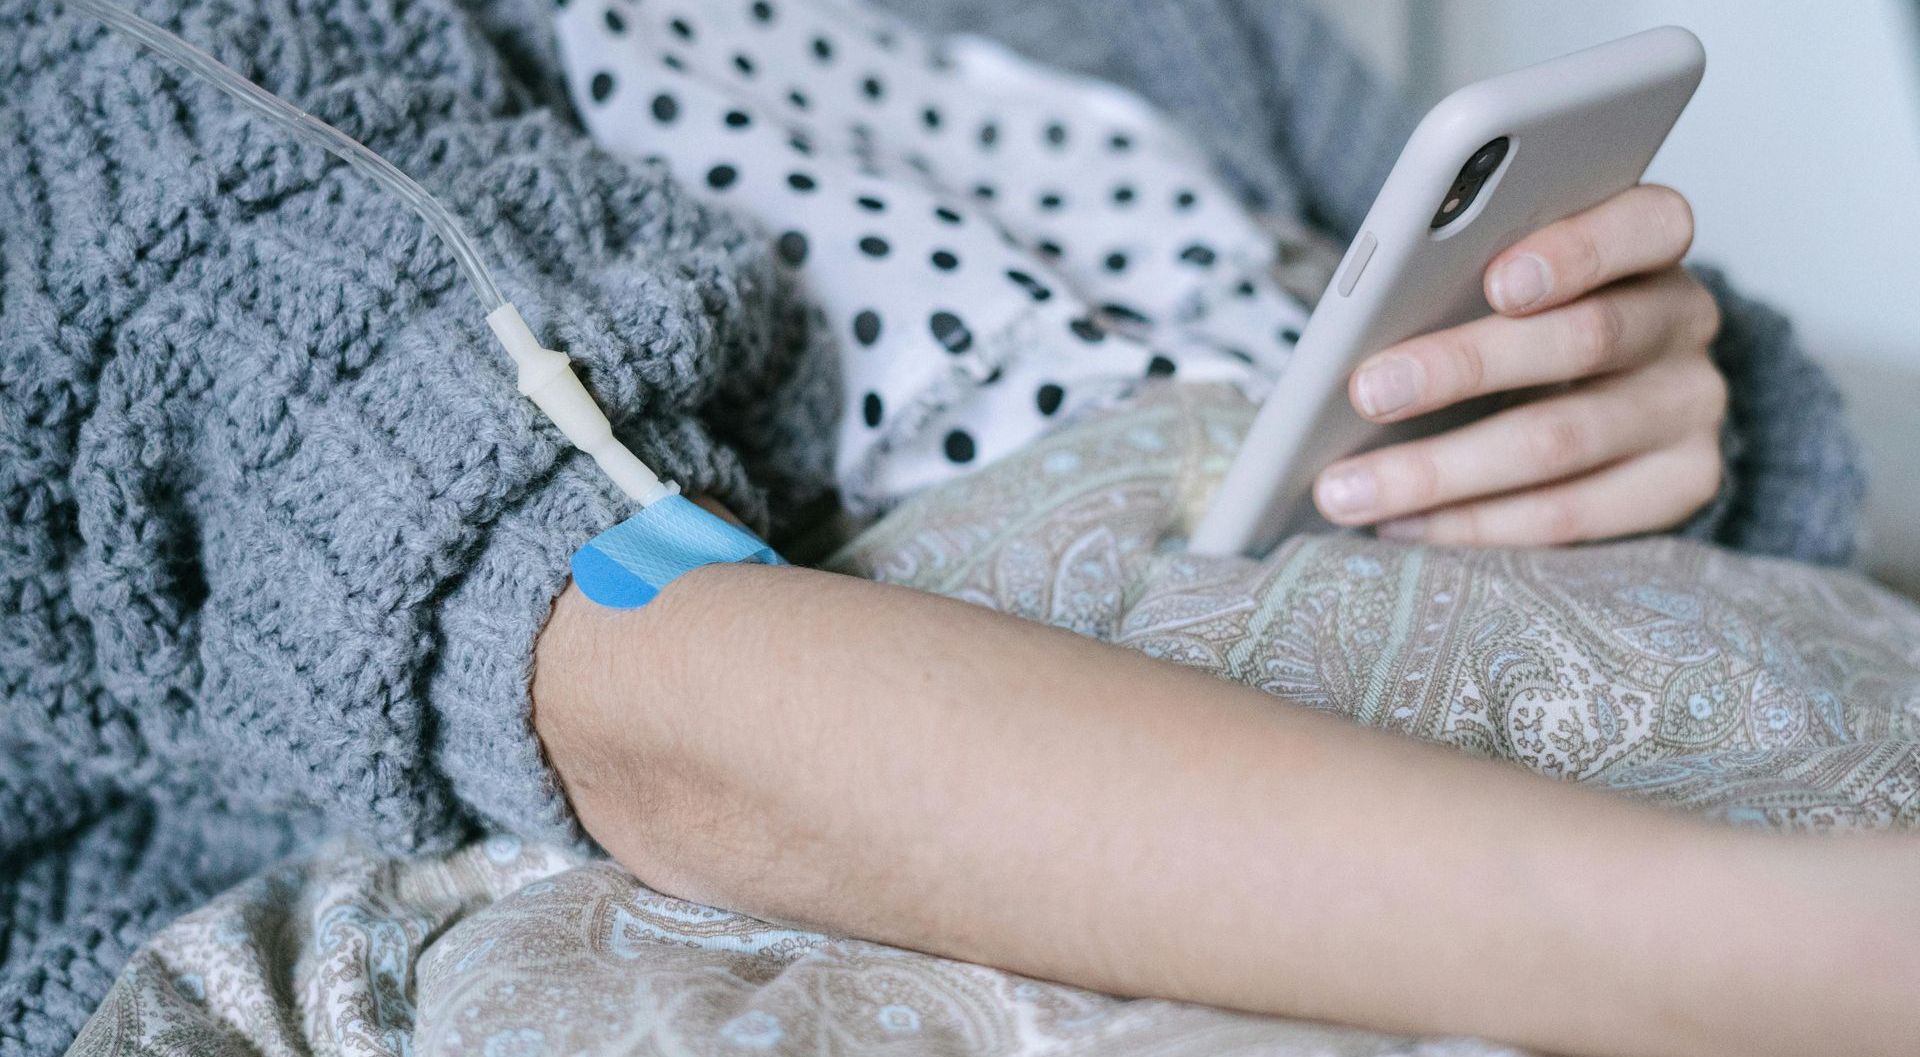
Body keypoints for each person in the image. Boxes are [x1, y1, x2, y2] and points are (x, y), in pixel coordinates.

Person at [0, 1, 1892, 1056]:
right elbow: (664, 697)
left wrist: (1627, 403)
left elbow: (1474, 337)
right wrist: (1792, 958)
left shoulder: (1174, 33)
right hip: (853, 790)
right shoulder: (138, 97)